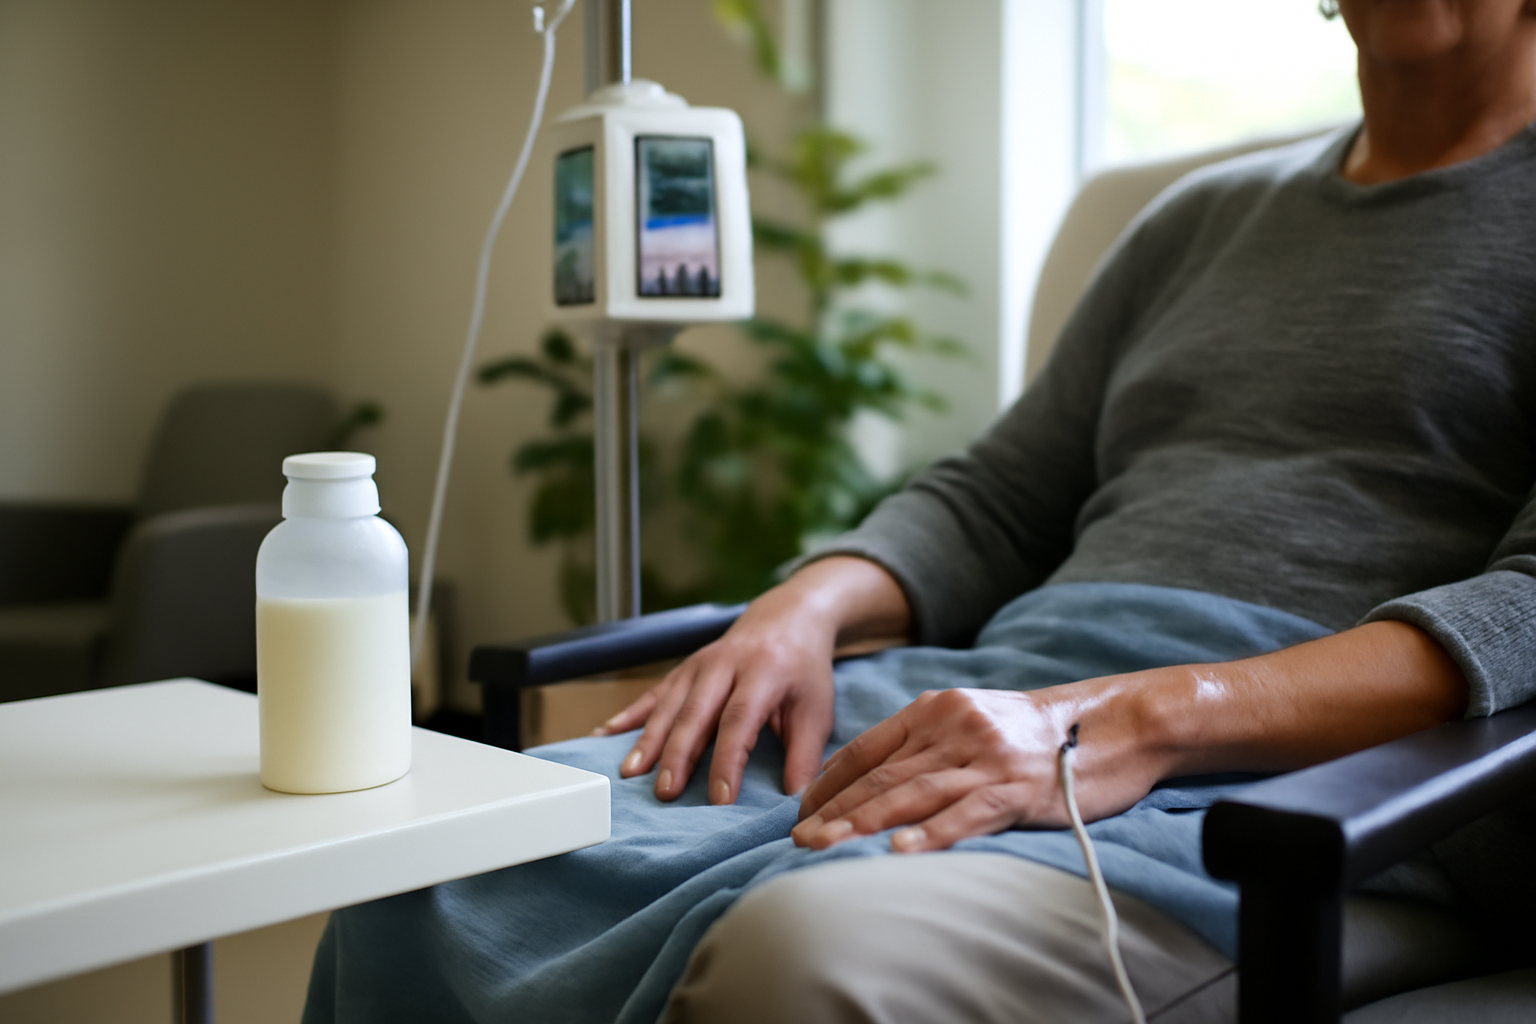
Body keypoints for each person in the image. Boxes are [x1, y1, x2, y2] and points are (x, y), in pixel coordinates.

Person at [304, 1, 1536, 1021]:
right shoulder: (1202, 222)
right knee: (424, 868)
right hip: (1010, 689)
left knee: (811, 953)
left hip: (1309, 791)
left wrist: (1133, 721)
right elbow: (999, 495)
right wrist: (800, 607)